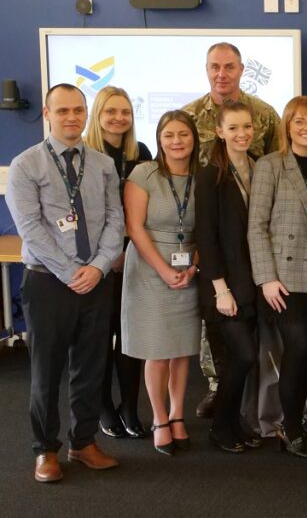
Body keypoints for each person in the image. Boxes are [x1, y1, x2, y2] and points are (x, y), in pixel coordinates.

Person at [7, 84, 123, 482]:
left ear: (86, 113)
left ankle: (84, 442)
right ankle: (45, 450)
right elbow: (30, 228)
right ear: (47, 114)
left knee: (90, 367)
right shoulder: (25, 165)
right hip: (48, 283)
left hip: (96, 280)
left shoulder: (103, 164)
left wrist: (100, 266)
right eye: (63, 111)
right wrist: (71, 271)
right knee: (46, 370)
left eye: (78, 110)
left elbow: (115, 220)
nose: (72, 117)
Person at [182, 41, 281, 419]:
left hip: (253, 254)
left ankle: (239, 401)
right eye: (214, 67)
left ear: (242, 69)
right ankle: (216, 390)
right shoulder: (190, 116)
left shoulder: (266, 115)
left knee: (246, 343)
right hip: (212, 240)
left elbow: (276, 167)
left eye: (229, 67)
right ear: (206, 69)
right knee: (222, 336)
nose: (221, 74)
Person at [248, 95, 307, 458]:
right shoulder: (271, 166)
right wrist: (266, 278)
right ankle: (289, 425)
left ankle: (296, 419)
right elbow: (256, 226)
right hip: (284, 278)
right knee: (298, 347)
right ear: (287, 125)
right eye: (299, 121)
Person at [121, 110, 203, 456]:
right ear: (159, 139)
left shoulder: (203, 177)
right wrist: (163, 269)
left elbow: (206, 230)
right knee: (157, 351)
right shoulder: (144, 173)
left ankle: (177, 415)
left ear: (194, 139)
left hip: (189, 267)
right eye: (169, 135)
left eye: (183, 134)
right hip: (149, 267)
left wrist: (194, 267)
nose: (176, 141)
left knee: (182, 348)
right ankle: (158, 419)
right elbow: (135, 227)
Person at [82, 85, 153, 440]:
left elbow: (146, 207)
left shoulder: (140, 153)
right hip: (98, 262)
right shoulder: (84, 154)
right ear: (98, 114)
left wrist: (132, 250)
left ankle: (129, 405)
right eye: (111, 111)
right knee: (100, 337)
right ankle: (104, 407)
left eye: (125, 111)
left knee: (130, 338)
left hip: (134, 258)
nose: (119, 118)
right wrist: (108, 255)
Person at [195, 100, 262, 453]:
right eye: (233, 128)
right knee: (243, 356)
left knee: (243, 359)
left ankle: (234, 421)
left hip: (250, 281)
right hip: (222, 286)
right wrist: (220, 289)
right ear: (219, 131)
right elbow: (205, 236)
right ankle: (220, 426)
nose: (241, 134)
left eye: (247, 127)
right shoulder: (210, 175)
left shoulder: (256, 167)